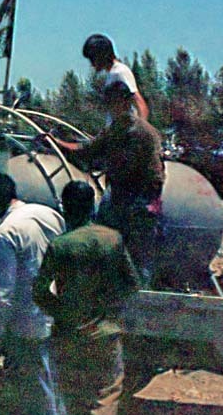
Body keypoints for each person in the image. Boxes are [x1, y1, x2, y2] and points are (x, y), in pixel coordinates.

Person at [32, 180, 140, 415]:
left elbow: (39, 291)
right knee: (104, 399)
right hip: (105, 334)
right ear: (92, 206)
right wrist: (108, 310)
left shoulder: (60, 245)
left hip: (69, 333)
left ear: (65, 208)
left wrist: (63, 312)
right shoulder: (112, 239)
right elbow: (131, 284)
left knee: (77, 400)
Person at [0, 173, 68, 415]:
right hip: (57, 308)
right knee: (51, 378)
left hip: (27, 318)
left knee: (36, 385)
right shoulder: (48, 214)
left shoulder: (5, 233)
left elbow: (3, 292)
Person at [49, 80, 165, 285]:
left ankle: (139, 297)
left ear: (126, 102)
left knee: (138, 260)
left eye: (115, 102)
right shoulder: (115, 129)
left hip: (139, 201)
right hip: (120, 198)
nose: (111, 107)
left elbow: (147, 173)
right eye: (109, 102)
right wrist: (56, 143)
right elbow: (87, 150)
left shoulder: (141, 132)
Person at [82, 33, 149, 121]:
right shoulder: (111, 75)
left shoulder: (120, 72)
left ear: (102, 55)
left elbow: (139, 103)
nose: (92, 64)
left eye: (93, 59)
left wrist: (140, 127)